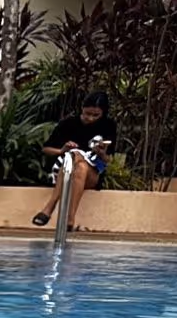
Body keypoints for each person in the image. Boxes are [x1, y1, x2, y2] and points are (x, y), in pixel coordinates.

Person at [32, 92, 118, 230]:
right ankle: (70, 219)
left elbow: (109, 159)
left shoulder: (108, 126)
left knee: (79, 160)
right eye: (87, 114)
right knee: (79, 164)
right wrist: (62, 151)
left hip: (93, 173)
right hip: (64, 170)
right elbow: (46, 149)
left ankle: (49, 207)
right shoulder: (68, 123)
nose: (90, 118)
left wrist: (101, 152)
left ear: (103, 113)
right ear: (82, 109)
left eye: (95, 115)